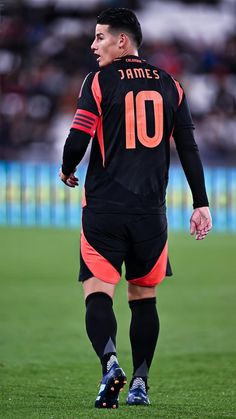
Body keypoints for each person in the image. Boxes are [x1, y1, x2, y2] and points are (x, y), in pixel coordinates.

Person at [59, 7, 212, 409]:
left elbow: (78, 137)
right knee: (144, 299)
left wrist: (67, 167)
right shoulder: (171, 84)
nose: (94, 46)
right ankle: (140, 384)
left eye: (100, 37)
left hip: (104, 211)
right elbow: (189, 149)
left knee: (97, 293)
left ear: (122, 41)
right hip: (151, 215)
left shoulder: (98, 81)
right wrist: (201, 203)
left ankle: (110, 363)